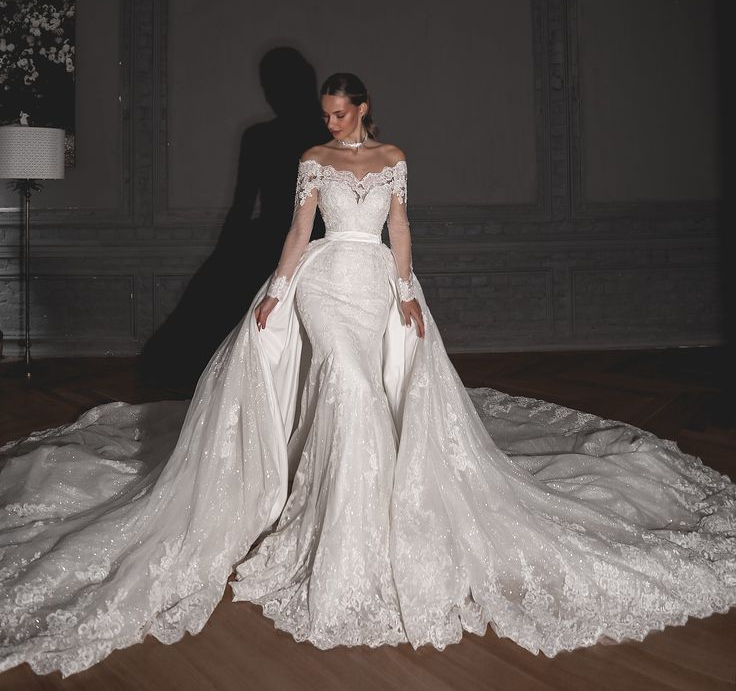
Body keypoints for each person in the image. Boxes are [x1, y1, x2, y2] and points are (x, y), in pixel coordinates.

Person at [1, 71, 735, 677]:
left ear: (365, 108)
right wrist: (277, 292)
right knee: (349, 386)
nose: (331, 122)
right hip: (323, 279)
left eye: (341, 112)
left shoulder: (393, 158)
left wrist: (409, 292)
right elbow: (295, 231)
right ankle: (333, 531)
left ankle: (381, 517)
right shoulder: (312, 159)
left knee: (373, 391)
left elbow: (402, 228)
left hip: (378, 280)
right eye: (325, 113)